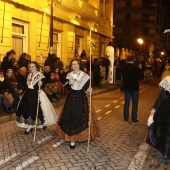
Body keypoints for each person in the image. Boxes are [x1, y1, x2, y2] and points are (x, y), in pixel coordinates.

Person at [56, 59, 100, 149]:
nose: (75, 66)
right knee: (71, 117)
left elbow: (87, 89)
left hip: (82, 98)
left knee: (80, 117)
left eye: (76, 64)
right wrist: (70, 83)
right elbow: (66, 87)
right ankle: (72, 140)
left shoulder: (85, 76)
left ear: (79, 65)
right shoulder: (69, 75)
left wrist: (90, 90)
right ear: (71, 66)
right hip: (71, 98)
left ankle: (81, 137)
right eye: (73, 64)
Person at [16, 61, 58, 134]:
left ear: (36, 67)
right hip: (28, 94)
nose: (31, 68)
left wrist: (41, 83)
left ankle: (43, 123)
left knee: (41, 109)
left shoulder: (40, 75)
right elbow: (28, 85)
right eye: (30, 67)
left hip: (37, 93)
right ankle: (30, 126)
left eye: (33, 67)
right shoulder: (29, 75)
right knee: (28, 110)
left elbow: (43, 84)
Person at [146, 75, 170, 159]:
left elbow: (161, 96)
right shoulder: (167, 80)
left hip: (166, 108)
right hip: (166, 109)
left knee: (165, 130)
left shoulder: (167, 80)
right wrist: (154, 107)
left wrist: (154, 107)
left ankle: (166, 153)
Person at [121, 56, 144, 124]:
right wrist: (140, 69)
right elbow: (141, 77)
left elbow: (122, 76)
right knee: (135, 104)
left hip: (126, 87)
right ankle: (134, 119)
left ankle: (126, 118)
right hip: (135, 88)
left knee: (126, 103)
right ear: (133, 60)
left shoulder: (123, 67)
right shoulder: (135, 68)